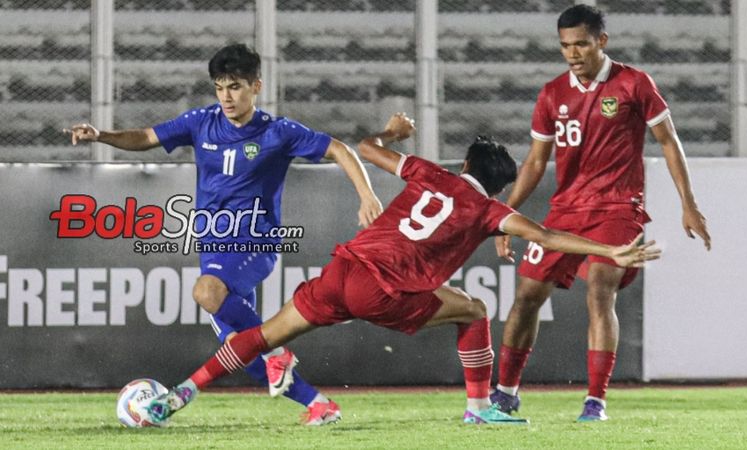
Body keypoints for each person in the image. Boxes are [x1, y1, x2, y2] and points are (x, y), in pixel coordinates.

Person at [143, 113, 660, 426]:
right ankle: (481, 409)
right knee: (475, 310)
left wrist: (389, 132)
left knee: (262, 336)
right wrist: (608, 251)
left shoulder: (429, 172)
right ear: (499, 187)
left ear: (463, 167)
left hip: (343, 270)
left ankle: (180, 393)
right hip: (383, 290)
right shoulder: (489, 210)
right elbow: (545, 237)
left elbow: (367, 150)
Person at [65, 44, 383, 425]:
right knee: (239, 347)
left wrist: (367, 194)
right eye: (219, 87)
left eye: (235, 86)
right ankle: (319, 405)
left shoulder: (278, 132)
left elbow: (340, 149)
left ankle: (277, 352)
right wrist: (101, 135)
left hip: (255, 242)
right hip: (213, 245)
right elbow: (145, 137)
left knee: (206, 292)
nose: (227, 96)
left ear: (256, 86)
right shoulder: (201, 122)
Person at [490, 4, 712, 422]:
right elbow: (537, 163)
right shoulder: (553, 93)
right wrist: (505, 213)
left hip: (617, 208)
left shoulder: (634, 83)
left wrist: (689, 204)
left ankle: (595, 401)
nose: (572, 54)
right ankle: (505, 393)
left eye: (581, 44)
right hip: (565, 211)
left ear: (601, 42)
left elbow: (668, 141)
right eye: (565, 46)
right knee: (526, 297)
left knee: (599, 291)